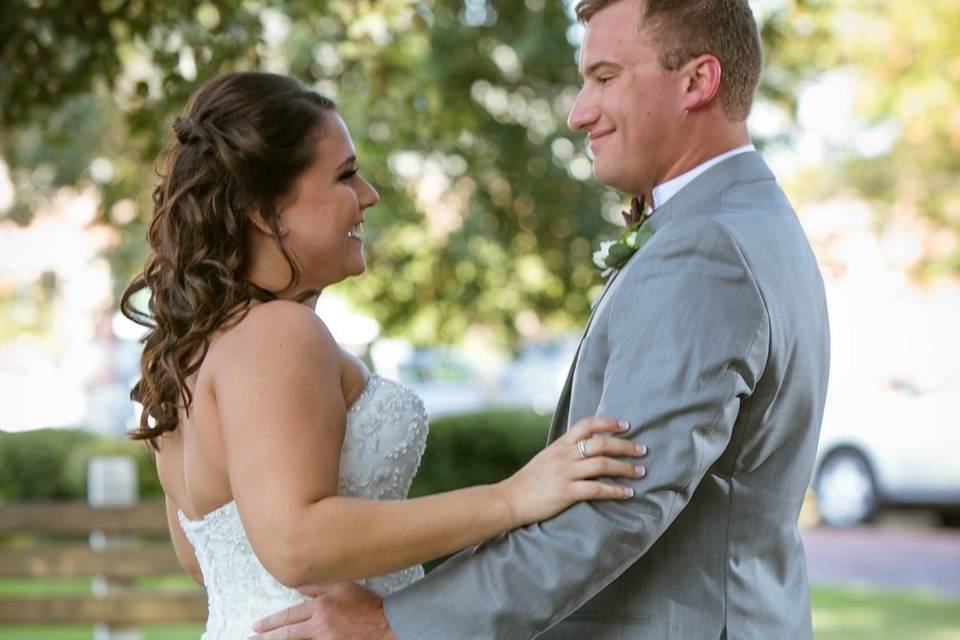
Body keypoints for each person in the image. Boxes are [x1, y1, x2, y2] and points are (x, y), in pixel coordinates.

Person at [250, 0, 830, 638]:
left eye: (605, 78)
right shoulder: (752, 221)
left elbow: (616, 505)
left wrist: (396, 625)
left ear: (698, 80)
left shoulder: (706, 249)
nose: (580, 112)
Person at [119, 71, 649, 639]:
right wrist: (510, 498)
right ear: (263, 207)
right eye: (345, 175)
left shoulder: (186, 354)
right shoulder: (281, 332)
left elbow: (206, 560)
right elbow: (295, 543)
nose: (369, 194)